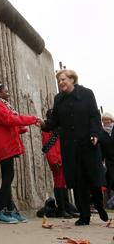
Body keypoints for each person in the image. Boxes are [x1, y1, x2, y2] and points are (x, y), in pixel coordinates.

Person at [38, 69, 108, 226]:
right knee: (77, 182)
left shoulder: (87, 94)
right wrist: (44, 124)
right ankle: (84, 215)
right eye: (59, 80)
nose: (61, 82)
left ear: (72, 80)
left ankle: (99, 205)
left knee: (93, 178)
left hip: (89, 143)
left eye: (63, 79)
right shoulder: (58, 99)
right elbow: (54, 121)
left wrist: (95, 134)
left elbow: (94, 117)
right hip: (70, 147)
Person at [0, 81, 39, 224]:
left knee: (8, 177)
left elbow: (6, 123)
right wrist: (31, 119)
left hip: (6, 143)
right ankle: (2, 210)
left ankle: (9, 209)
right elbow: (9, 120)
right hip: (3, 145)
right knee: (8, 177)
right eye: (6, 91)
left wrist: (21, 128)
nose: (8, 92)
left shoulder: (2, 105)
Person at [41, 109, 77, 219]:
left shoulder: (59, 129)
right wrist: (54, 161)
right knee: (59, 184)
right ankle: (61, 209)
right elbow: (48, 147)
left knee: (64, 184)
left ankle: (66, 208)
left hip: (63, 159)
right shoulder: (47, 130)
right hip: (56, 161)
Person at [100, 113, 114, 195]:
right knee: (112, 179)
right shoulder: (101, 132)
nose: (106, 121)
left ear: (111, 120)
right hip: (109, 160)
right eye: (104, 120)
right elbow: (101, 147)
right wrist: (101, 160)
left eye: (107, 119)